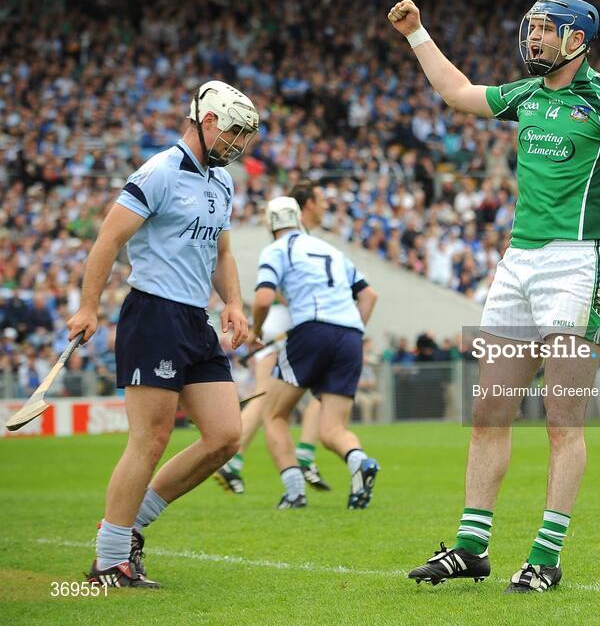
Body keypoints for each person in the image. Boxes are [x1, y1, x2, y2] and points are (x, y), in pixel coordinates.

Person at [390, 0, 600, 592]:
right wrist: (417, 35)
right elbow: (457, 94)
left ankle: (546, 557)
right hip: (518, 264)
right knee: (489, 410)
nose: (533, 40)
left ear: (578, 39)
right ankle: (471, 546)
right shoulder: (527, 95)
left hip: (578, 264)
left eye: (545, 31)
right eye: (532, 30)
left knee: (562, 418)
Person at [67, 80, 258, 587]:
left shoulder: (222, 183)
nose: (239, 143)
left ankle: (128, 530)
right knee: (150, 438)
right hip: (153, 315)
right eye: (234, 131)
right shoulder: (158, 173)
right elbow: (108, 239)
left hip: (195, 321)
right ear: (208, 121)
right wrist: (88, 307)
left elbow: (221, 253)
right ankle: (108, 561)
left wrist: (234, 303)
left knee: (225, 436)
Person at [251, 195, 380, 510]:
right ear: (297, 218)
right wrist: (353, 330)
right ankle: (359, 462)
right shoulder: (330, 249)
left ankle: (294, 493)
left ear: (270, 223)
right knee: (332, 429)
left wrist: (255, 332)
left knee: (274, 414)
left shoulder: (277, 249)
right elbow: (369, 296)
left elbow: (264, 299)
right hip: (350, 335)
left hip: (312, 329)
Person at [215, 182, 342, 494]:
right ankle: (296, 457)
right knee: (271, 396)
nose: (326, 205)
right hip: (288, 325)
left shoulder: (298, 240)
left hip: (289, 326)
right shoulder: (297, 242)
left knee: (274, 396)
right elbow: (282, 290)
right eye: (321, 200)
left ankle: (239, 462)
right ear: (304, 208)